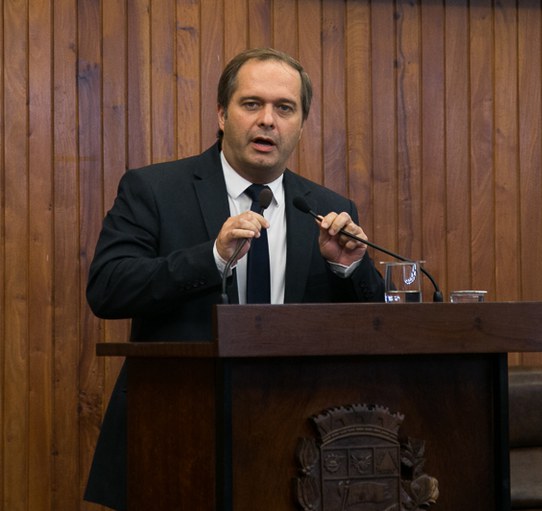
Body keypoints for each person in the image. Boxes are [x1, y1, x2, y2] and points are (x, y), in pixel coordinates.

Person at [84, 47, 385, 510]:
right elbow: (108, 287)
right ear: (222, 115)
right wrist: (212, 258)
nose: (268, 120)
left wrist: (347, 267)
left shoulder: (326, 207)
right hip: (174, 435)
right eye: (251, 104)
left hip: (296, 444)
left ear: (301, 125)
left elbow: (374, 323)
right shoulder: (155, 189)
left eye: (285, 108)